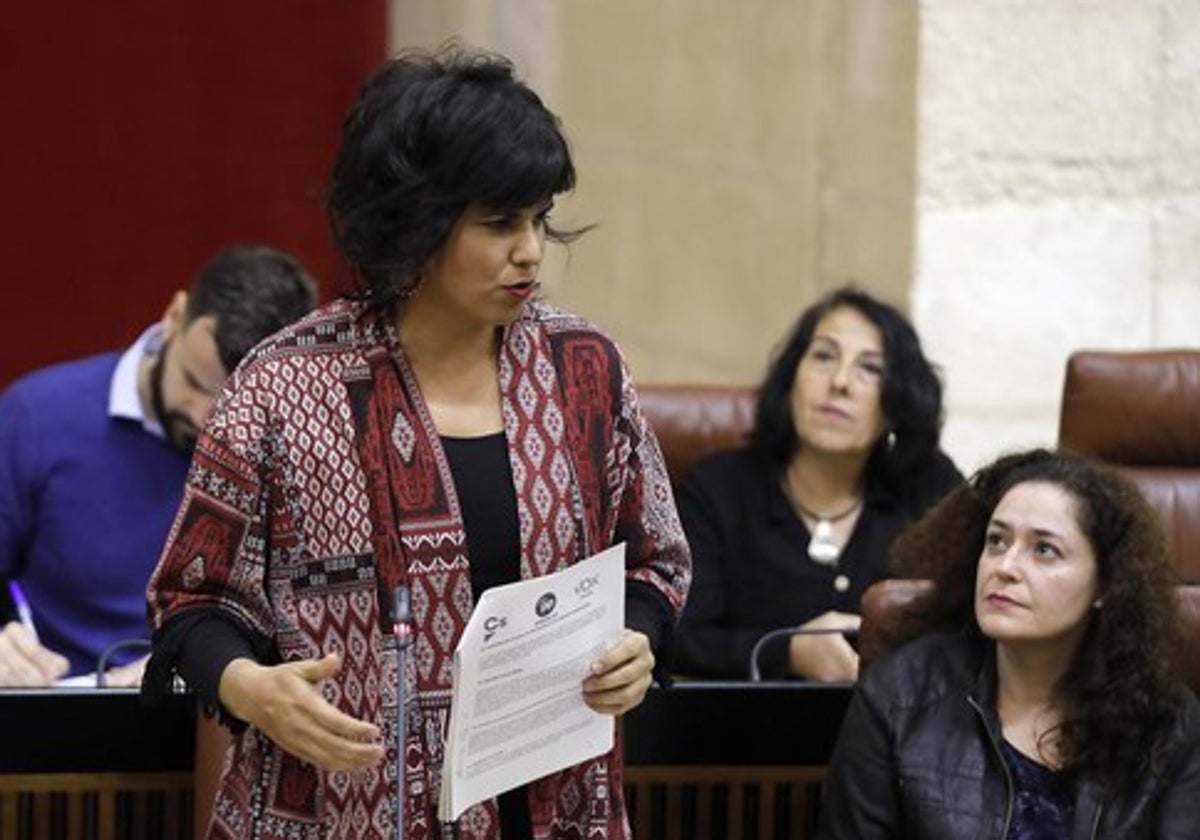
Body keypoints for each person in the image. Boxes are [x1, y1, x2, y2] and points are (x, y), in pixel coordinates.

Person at [143, 45, 691, 840]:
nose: (532, 250)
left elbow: (653, 562)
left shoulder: (585, 370)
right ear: (417, 223)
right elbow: (190, 598)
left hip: (553, 807)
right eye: (500, 223)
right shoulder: (285, 384)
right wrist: (248, 688)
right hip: (337, 811)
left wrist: (639, 638)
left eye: (539, 219)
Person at [818, 448, 1200, 838]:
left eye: (1044, 550)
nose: (1005, 567)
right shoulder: (899, 695)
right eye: (997, 541)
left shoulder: (1167, 728)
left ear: (1105, 585)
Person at [0, 245, 318, 687]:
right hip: (59, 708)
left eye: (233, 400)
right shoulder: (37, 415)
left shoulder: (298, 455)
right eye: (192, 382)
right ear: (174, 315)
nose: (206, 417)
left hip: (219, 719)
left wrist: (201, 662)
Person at [667, 287, 962, 681]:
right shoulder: (718, 488)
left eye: (870, 369)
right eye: (824, 356)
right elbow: (680, 640)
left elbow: (968, 623)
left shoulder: (929, 487)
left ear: (898, 401)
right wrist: (787, 653)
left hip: (897, 733)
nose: (840, 382)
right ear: (791, 379)